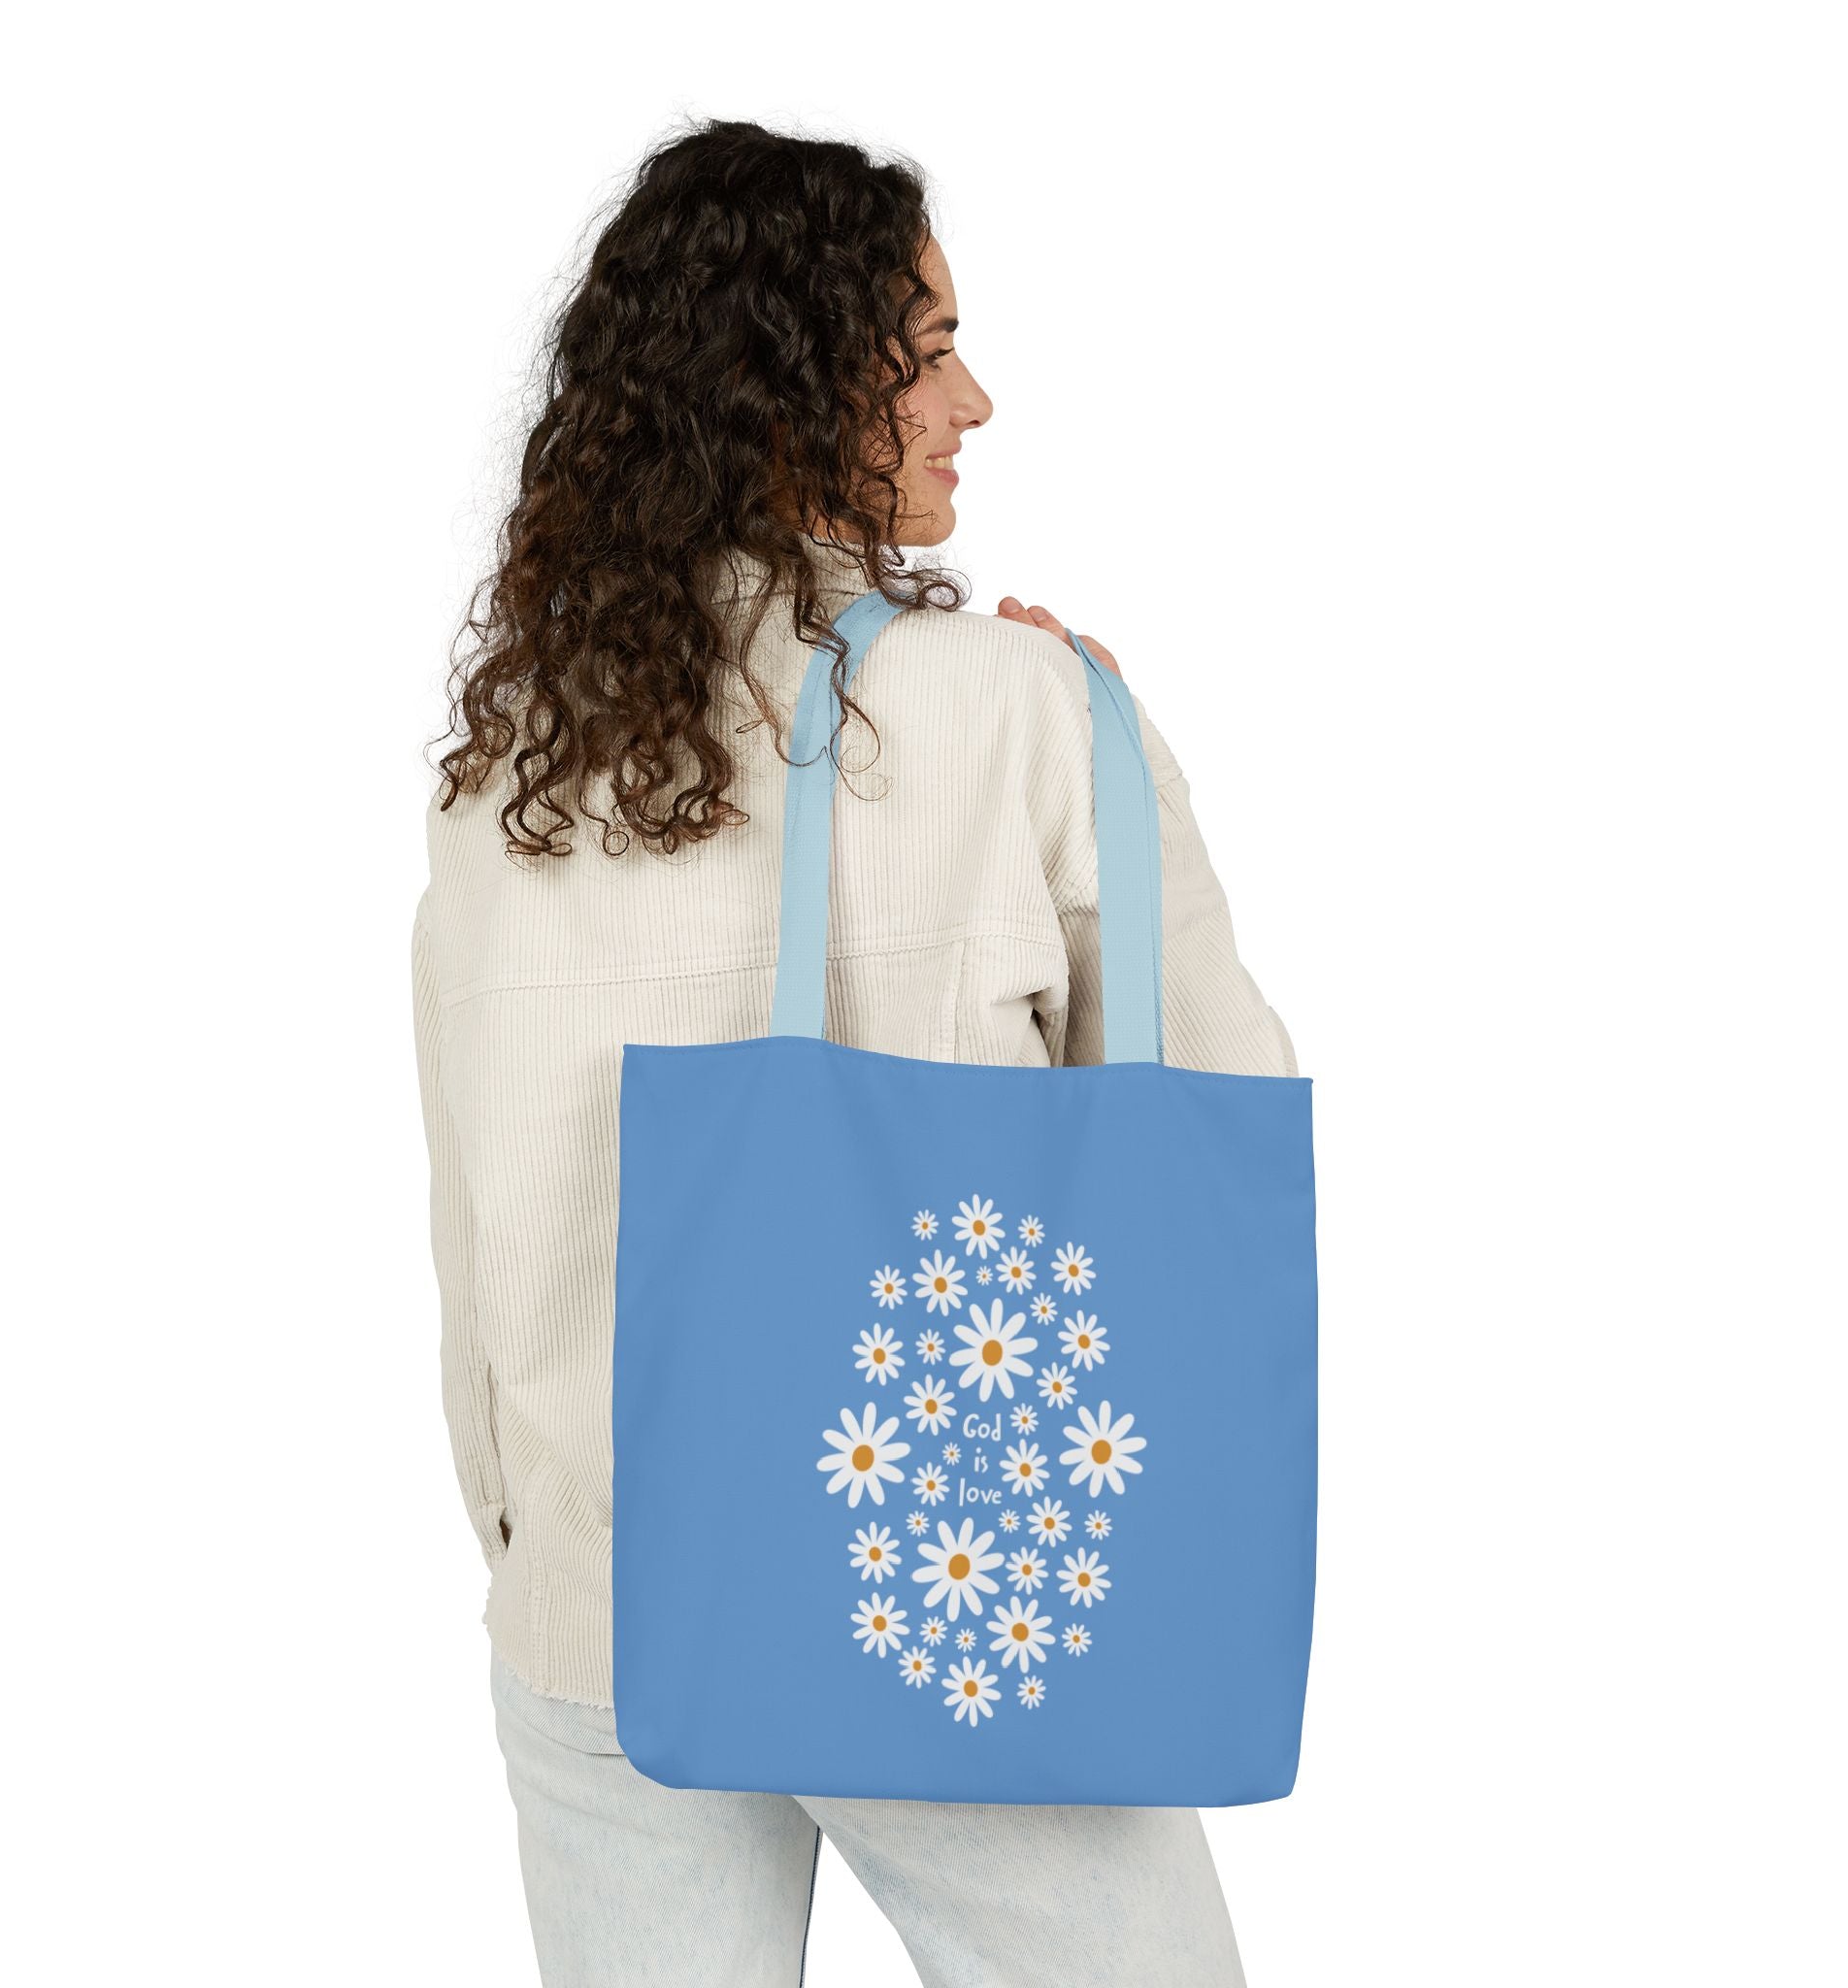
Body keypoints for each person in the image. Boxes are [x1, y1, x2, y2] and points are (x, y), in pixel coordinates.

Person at [412, 116, 1297, 1986]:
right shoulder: (1021, 712)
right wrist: (1126, 761)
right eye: (924, 353)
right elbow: (1209, 1098)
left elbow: (470, 1210)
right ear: (788, 386)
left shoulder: (512, 773)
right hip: (932, 1574)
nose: (975, 399)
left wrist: (527, 1532)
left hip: (592, 1597)